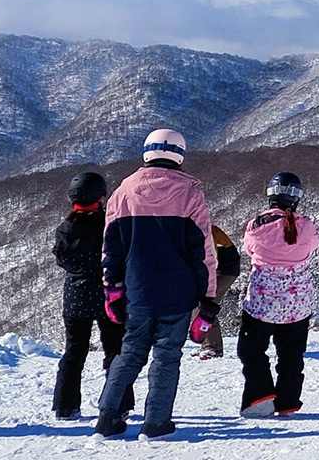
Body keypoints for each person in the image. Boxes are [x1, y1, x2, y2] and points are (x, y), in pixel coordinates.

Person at [94, 129, 218, 440]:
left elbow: (111, 249)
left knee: (131, 351)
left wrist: (113, 290)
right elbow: (203, 252)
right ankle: (156, 421)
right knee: (166, 355)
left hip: (138, 290)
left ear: (147, 152)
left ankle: (108, 417)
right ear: (179, 154)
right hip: (178, 292)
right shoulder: (190, 192)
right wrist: (209, 297)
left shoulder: (123, 192)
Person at [237, 171, 319, 417]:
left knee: (251, 351)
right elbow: (315, 244)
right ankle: (288, 402)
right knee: (291, 355)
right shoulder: (305, 225)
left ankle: (259, 398)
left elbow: (249, 250)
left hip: (262, 303)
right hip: (298, 304)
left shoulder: (256, 224)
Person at [51, 172, 131, 420]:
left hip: (75, 296)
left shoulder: (65, 228)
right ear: (101, 196)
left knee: (74, 352)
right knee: (115, 351)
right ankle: (117, 403)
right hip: (109, 294)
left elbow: (61, 259)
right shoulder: (109, 224)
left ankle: (65, 406)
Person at [194, 225, 242, 360]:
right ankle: (207, 346)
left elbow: (211, 258)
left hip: (226, 271)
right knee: (199, 306)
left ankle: (213, 348)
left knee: (205, 306)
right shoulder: (199, 228)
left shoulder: (206, 230)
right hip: (219, 269)